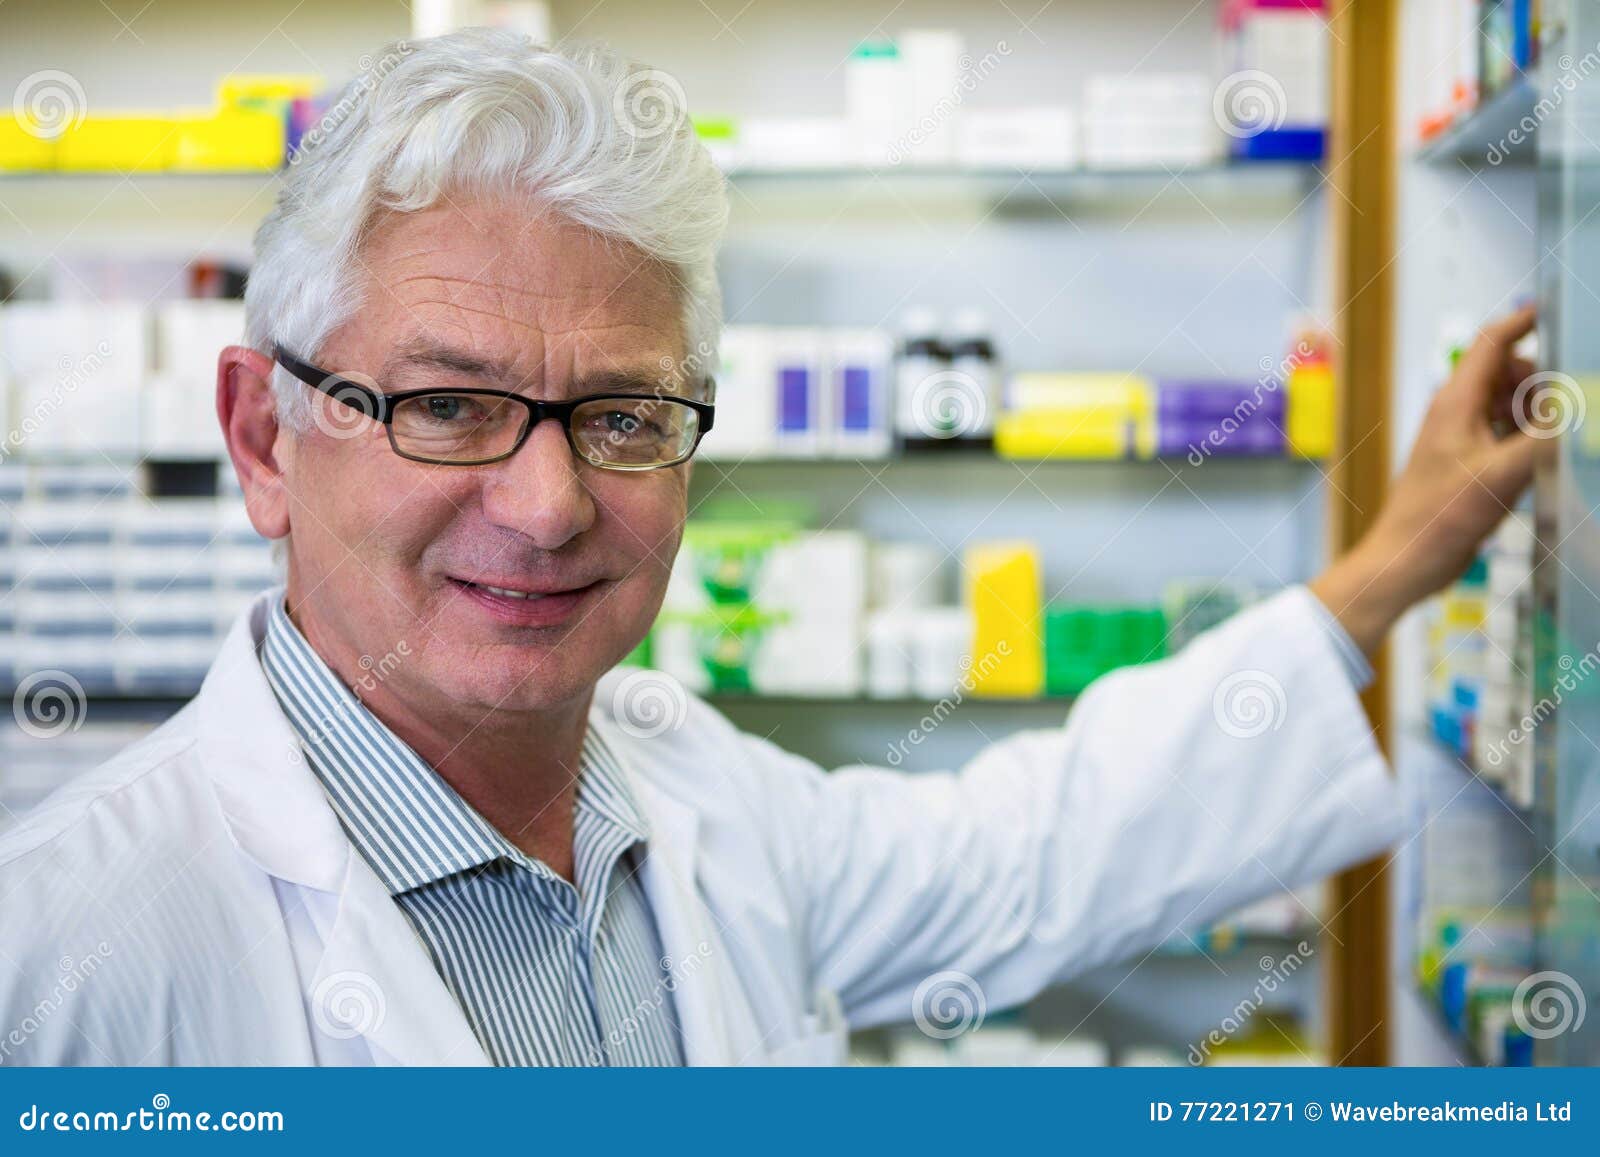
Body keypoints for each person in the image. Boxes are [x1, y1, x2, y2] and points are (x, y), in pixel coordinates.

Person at [0, 29, 1542, 1067]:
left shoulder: (693, 790)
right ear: (266, 439)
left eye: (622, 415)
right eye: (451, 405)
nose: (546, 509)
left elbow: (1030, 854)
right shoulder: (69, 955)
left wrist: (1390, 565)